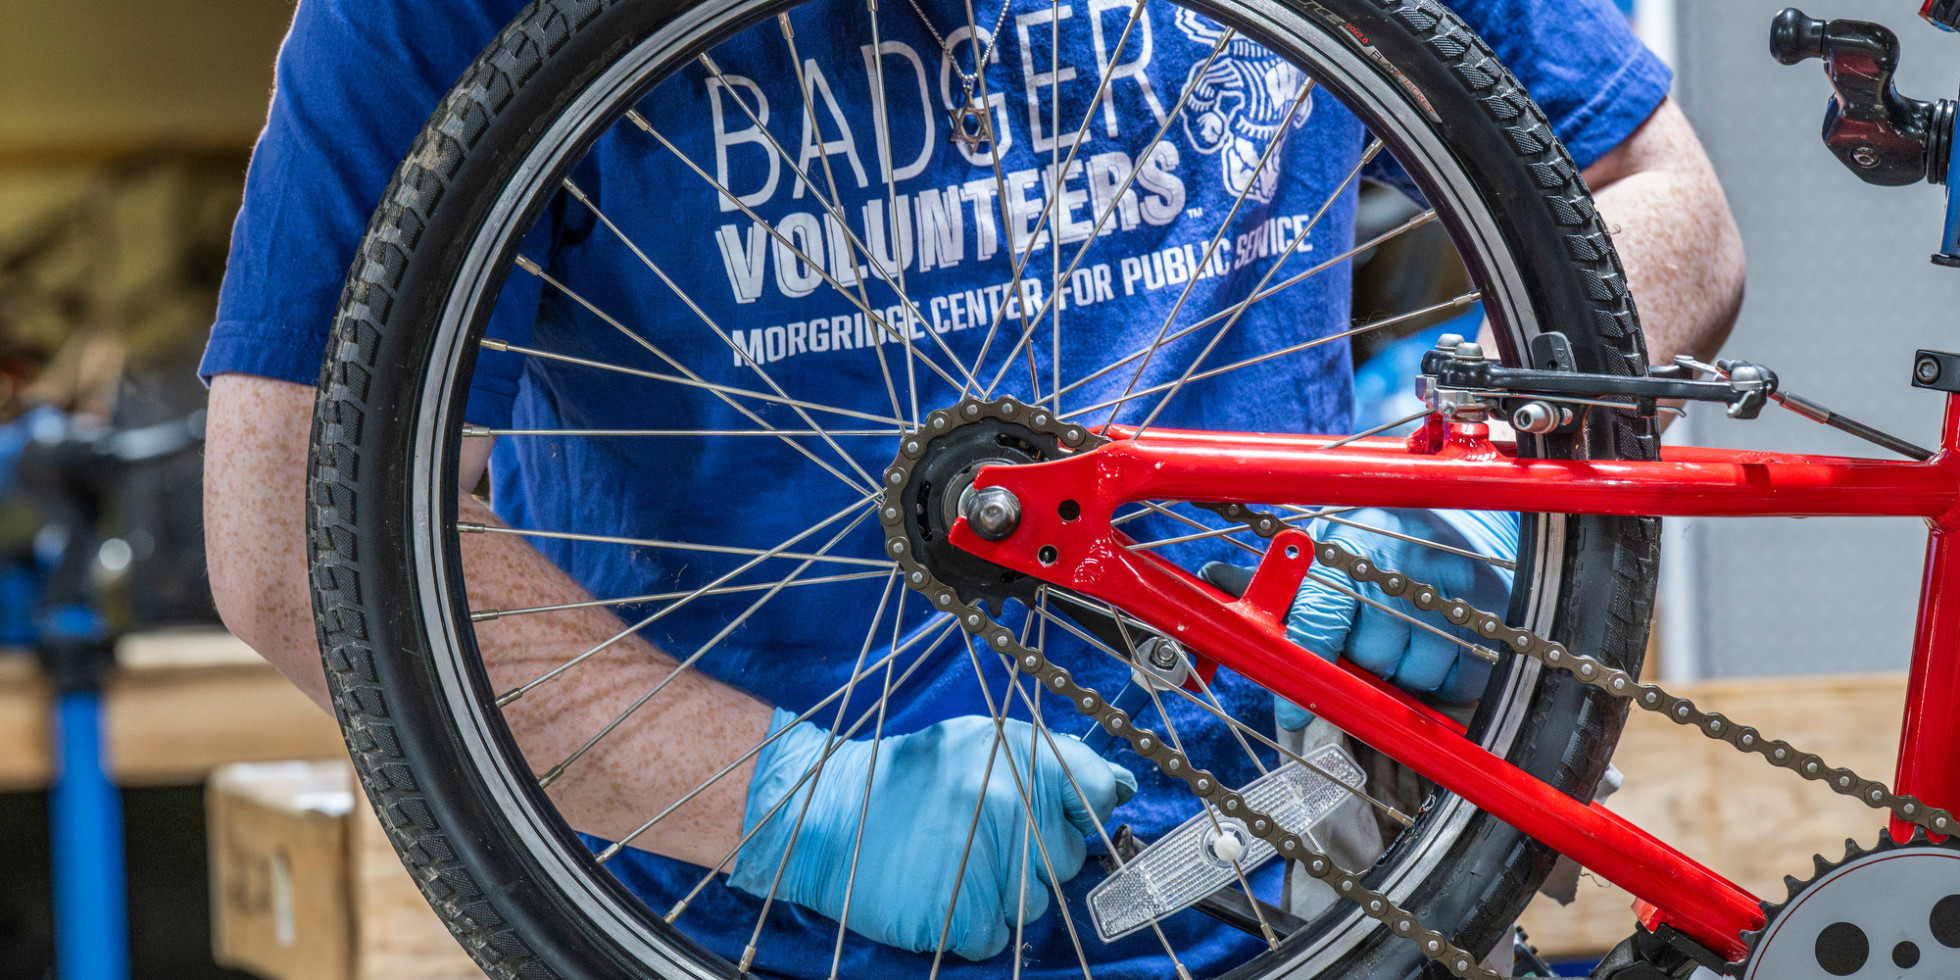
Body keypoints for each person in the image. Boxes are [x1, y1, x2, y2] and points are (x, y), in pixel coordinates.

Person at [202, 0, 1743, 975]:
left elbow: (1661, 201)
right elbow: (294, 542)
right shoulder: (420, 16)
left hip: (1309, 890)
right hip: (725, 940)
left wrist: (1472, 474)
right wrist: (785, 808)